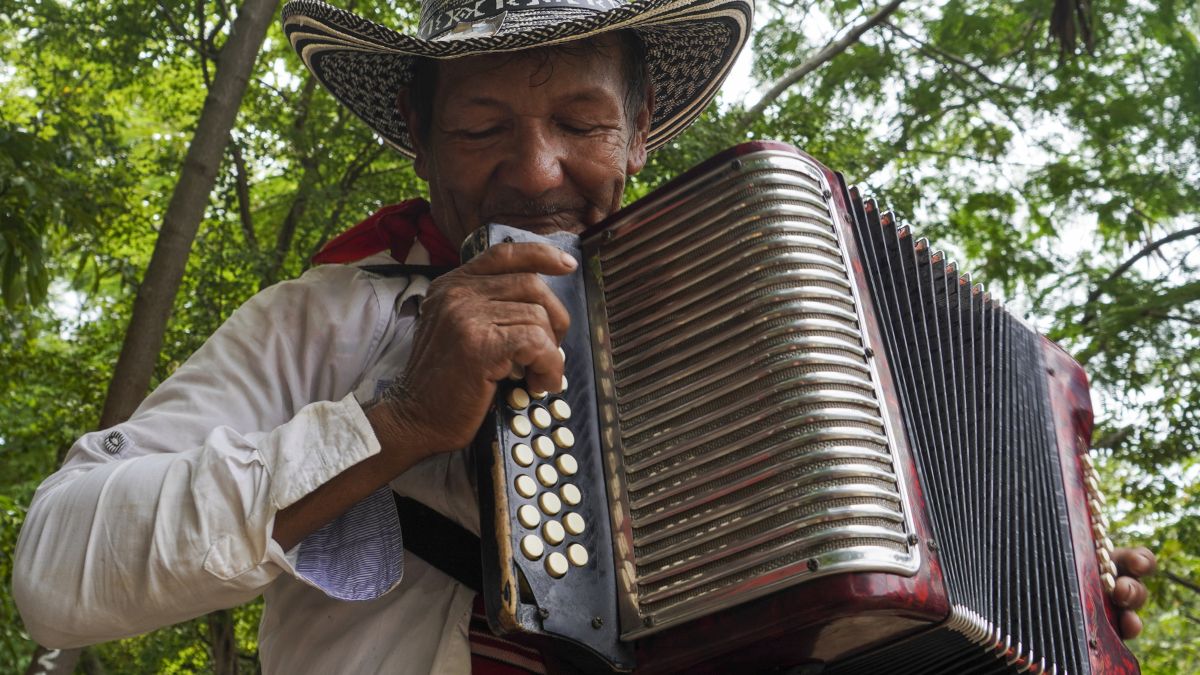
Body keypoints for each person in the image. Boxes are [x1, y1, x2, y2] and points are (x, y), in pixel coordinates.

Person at [13, 0, 1154, 672]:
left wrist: (1055, 583)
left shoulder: (779, 338)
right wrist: (393, 423)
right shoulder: (321, 320)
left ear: (642, 128)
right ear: (418, 131)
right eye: (482, 126)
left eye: (581, 122)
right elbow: (57, 574)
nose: (537, 170)